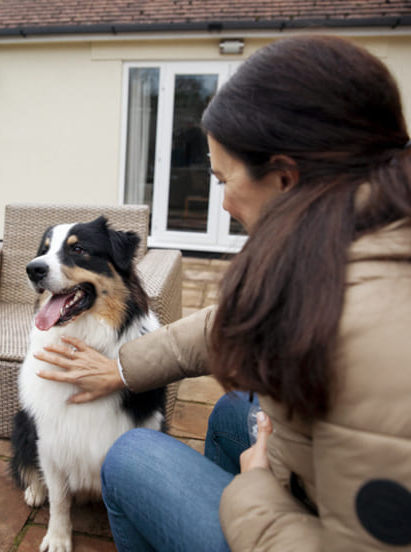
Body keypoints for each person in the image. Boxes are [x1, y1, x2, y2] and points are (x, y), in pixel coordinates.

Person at [34, 35, 411, 551]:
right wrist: (121, 369)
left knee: (131, 454)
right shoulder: (354, 235)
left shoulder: (382, 342)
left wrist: (254, 492)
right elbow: (226, 324)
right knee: (234, 410)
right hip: (310, 482)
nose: (225, 201)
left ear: (284, 178)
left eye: (221, 178)